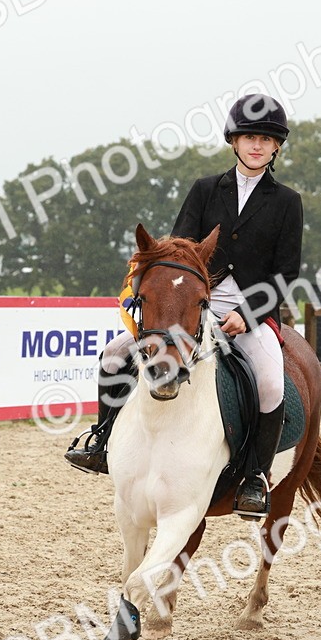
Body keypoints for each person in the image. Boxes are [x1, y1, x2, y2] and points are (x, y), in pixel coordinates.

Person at [66, 93, 302, 518]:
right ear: (233, 141)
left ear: (276, 147)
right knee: (115, 354)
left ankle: (254, 477)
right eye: (248, 137)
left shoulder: (287, 202)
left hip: (249, 310)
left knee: (270, 381)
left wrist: (246, 316)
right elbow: (176, 250)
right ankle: (101, 440)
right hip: (193, 303)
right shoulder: (206, 189)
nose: (256, 146)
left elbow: (285, 274)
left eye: (265, 140)